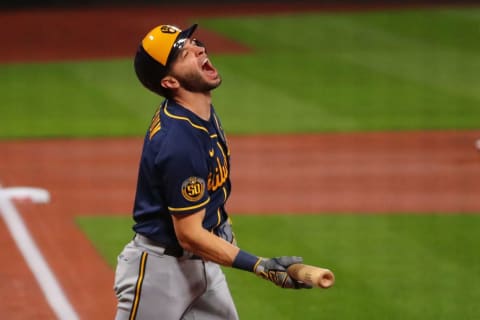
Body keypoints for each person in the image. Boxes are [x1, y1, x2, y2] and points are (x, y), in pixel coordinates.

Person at [113, 23, 311, 320]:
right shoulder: (178, 142)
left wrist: (222, 228)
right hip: (160, 274)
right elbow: (189, 235)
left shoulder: (201, 112)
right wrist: (259, 265)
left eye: (193, 41)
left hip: (203, 268)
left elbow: (211, 193)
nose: (199, 49)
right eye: (183, 52)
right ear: (169, 82)